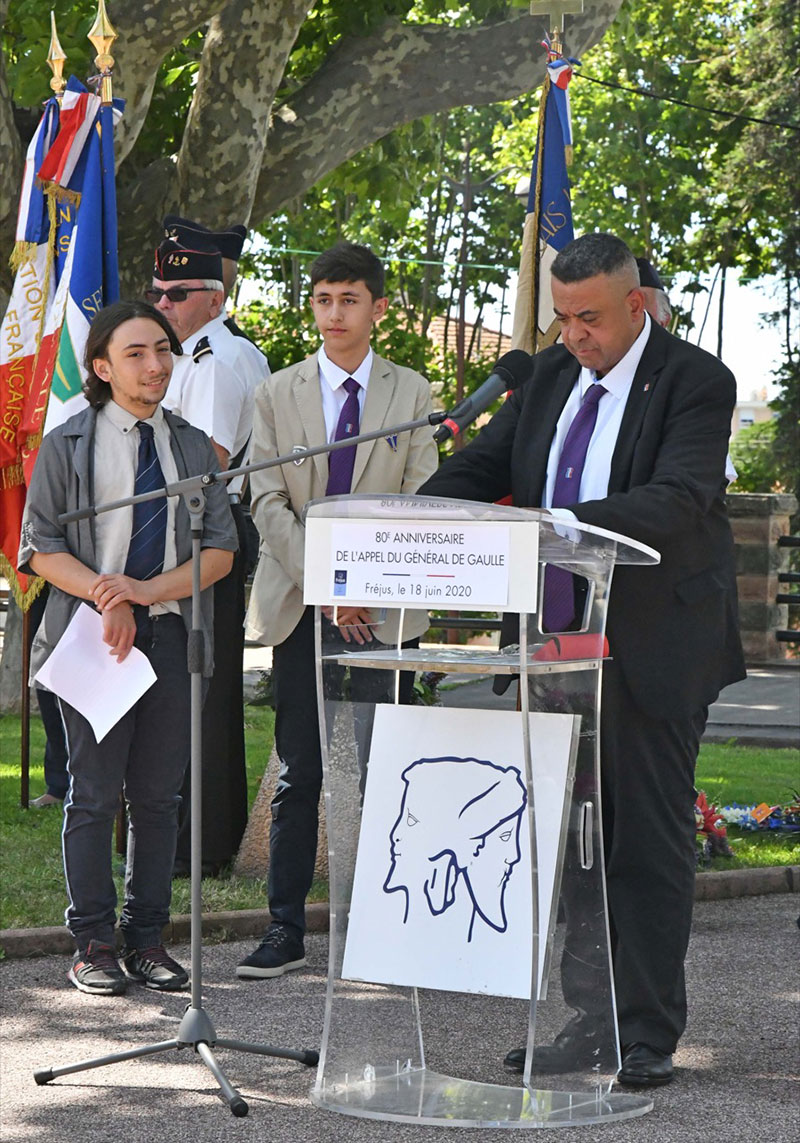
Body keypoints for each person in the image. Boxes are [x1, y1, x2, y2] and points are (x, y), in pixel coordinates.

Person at [418, 232, 745, 1086]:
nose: (573, 335)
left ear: (636, 306)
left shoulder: (696, 382)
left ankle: (645, 1030)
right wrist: (409, 524)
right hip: (548, 646)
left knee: (641, 837)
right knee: (566, 840)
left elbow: (677, 500)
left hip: (651, 647)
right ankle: (588, 1019)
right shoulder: (552, 377)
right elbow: (480, 467)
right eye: (561, 318)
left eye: (589, 317)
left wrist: (552, 527)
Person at [18, 300, 236, 995]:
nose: (156, 364)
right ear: (103, 367)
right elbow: (39, 547)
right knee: (94, 792)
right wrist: (109, 597)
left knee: (158, 795)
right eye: (138, 353)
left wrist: (141, 595)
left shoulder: (194, 446)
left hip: (169, 634)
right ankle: (93, 941)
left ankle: (147, 938)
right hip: (93, 637)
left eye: (164, 350)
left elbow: (222, 553)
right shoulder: (68, 444)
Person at [237, 241, 439, 980]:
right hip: (304, 604)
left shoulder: (412, 392)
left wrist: (368, 587)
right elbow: (265, 499)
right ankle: (284, 928)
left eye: (348, 299)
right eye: (322, 299)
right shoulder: (277, 392)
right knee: (300, 770)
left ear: (378, 307)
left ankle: (390, 927)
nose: (333, 313)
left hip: (386, 614)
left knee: (392, 770)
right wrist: (330, 583)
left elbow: (418, 500)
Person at [149, 237, 269, 875]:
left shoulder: (217, 359)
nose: (164, 303)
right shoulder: (190, 354)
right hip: (186, 530)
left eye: (178, 293)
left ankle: (198, 845)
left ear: (214, 298)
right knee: (186, 683)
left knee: (197, 687)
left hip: (205, 530)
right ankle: (185, 839)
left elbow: (208, 463)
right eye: (158, 293)